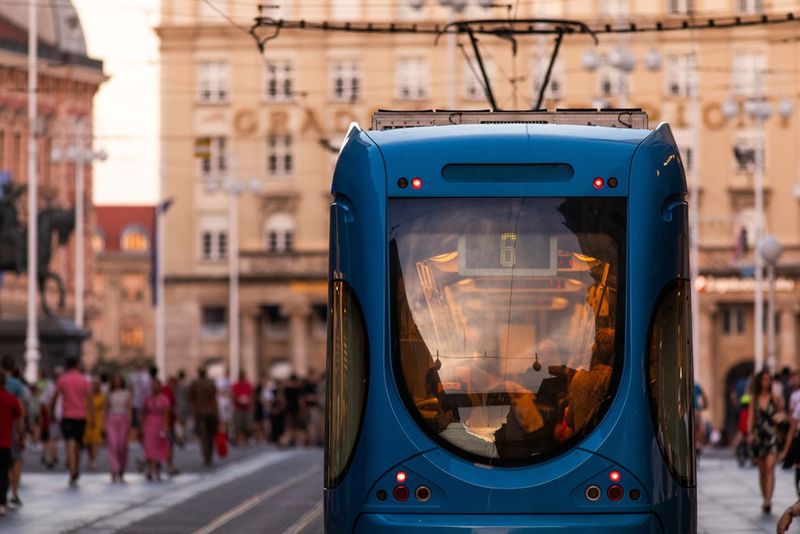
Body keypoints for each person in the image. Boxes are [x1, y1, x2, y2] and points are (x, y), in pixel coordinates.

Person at [52, 357, 93, 487]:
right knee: (78, 444)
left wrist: (51, 411)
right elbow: (89, 399)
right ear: (77, 365)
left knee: (70, 441)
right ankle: (76, 468)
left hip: (67, 415)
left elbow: (55, 397)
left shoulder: (62, 380)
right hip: (81, 416)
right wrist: (92, 417)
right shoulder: (83, 380)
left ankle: (72, 469)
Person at [749, 369, 785, 514]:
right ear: (759, 381)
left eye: (768, 379)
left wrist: (780, 418)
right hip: (759, 436)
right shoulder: (754, 398)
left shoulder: (775, 398)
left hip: (772, 435)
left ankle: (768, 500)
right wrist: (750, 434)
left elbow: (781, 413)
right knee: (762, 470)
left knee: (770, 468)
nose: (767, 382)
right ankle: (765, 496)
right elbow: (751, 418)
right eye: (764, 379)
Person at [1, 356, 25, 507]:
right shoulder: (17, 385)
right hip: (10, 431)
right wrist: (22, 432)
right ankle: (14, 492)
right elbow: (20, 411)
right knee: (15, 460)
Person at [189, 367, 218, 466]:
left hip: (200, 413)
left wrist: (194, 410)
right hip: (210, 412)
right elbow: (214, 398)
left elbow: (191, 398)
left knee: (203, 436)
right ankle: (209, 455)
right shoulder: (210, 383)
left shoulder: (195, 384)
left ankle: (206, 456)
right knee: (209, 436)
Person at [142, 380, 170, 481]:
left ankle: (158, 470)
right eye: (152, 386)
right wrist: (142, 425)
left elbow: (166, 414)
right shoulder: (147, 399)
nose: (154, 388)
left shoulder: (164, 399)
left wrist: (165, 426)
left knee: (159, 448)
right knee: (149, 447)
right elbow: (144, 412)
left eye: (156, 386)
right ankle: (149, 469)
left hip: (160, 424)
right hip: (149, 424)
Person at [105, 374, 131, 482]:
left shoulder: (127, 393)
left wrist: (130, 423)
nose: (117, 382)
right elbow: (106, 409)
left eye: (118, 380)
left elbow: (129, 409)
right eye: (115, 381)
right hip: (111, 420)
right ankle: (114, 468)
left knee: (122, 445)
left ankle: (121, 468)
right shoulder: (109, 393)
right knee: (113, 444)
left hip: (123, 420)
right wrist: (103, 424)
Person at [82, 380, 106, 470]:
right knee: (88, 441)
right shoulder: (88, 396)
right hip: (87, 418)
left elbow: (104, 409)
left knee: (96, 441)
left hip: (98, 419)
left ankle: (94, 459)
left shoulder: (102, 397)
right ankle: (90, 457)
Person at [232, 371, 253, 446]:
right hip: (238, 408)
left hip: (247, 407)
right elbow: (233, 395)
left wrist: (249, 402)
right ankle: (239, 439)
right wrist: (238, 400)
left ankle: (246, 439)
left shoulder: (248, 385)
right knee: (238, 424)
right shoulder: (235, 385)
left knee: (248, 425)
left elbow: (251, 395)